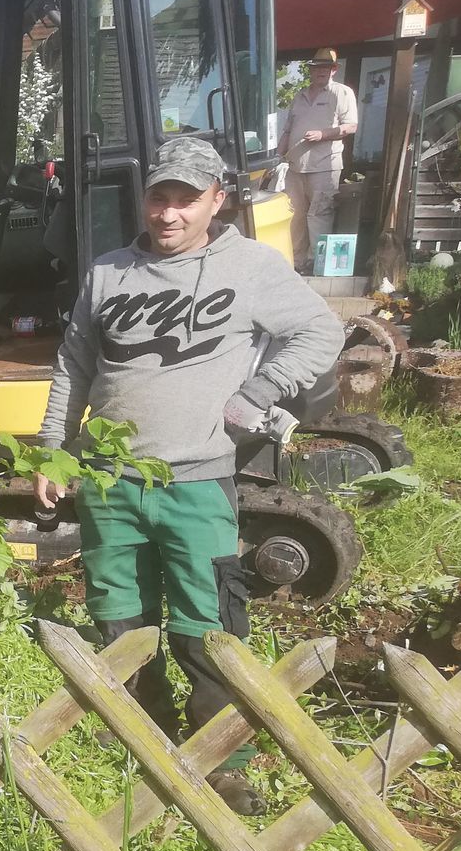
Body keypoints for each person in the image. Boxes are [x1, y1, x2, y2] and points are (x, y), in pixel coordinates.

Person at [34, 137, 343, 812]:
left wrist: (262, 390)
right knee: (119, 616)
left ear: (217, 200)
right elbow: (74, 365)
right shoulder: (109, 272)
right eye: (159, 197)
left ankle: (219, 761)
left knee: (209, 625)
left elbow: (322, 332)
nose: (168, 213)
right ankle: (142, 738)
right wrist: (53, 449)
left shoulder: (251, 267)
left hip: (198, 483)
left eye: (186, 199)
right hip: (109, 483)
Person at [279, 49, 359, 273]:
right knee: (294, 215)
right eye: (317, 67)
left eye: (326, 67)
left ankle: (317, 263)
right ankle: (296, 262)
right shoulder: (299, 95)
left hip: (324, 165)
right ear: (311, 70)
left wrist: (323, 134)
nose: (321, 71)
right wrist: (277, 157)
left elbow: (351, 126)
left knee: (319, 214)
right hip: (295, 167)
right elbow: (287, 130)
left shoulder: (342, 92)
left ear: (334, 70)